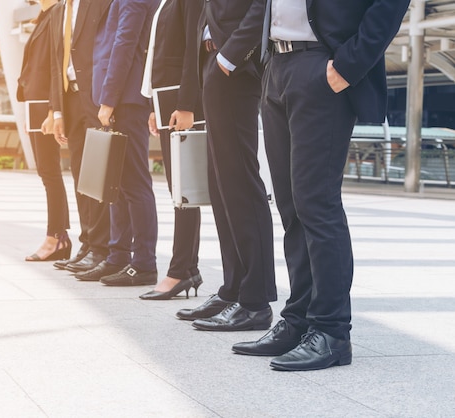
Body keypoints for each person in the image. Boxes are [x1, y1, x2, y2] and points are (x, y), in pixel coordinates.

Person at [232, 0, 410, 371]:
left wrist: (348, 65)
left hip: (322, 65)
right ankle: (299, 320)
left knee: (317, 204)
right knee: (292, 207)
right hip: (277, 66)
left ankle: (331, 332)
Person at [175, 0, 277, 331]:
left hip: (236, 65)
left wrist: (229, 56)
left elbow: (262, 6)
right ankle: (234, 289)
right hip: (216, 64)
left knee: (239, 183)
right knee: (221, 187)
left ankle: (255, 301)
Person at [74, 0, 160, 286]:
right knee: (117, 185)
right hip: (120, 98)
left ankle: (144, 263)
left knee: (134, 184)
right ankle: (118, 256)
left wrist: (108, 99)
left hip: (126, 99)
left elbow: (124, 44)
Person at [138, 0, 205, 300]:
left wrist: (186, 104)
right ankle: (187, 268)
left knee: (183, 190)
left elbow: (194, 48)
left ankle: (180, 270)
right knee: (179, 190)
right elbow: (159, 55)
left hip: (181, 104)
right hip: (166, 102)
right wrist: (154, 106)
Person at [48, 0, 113, 274]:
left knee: (98, 176)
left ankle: (101, 247)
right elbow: (55, 63)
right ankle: (87, 243)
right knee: (80, 175)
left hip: (96, 98)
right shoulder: (58, 11)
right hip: (70, 100)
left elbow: (108, 48)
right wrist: (57, 111)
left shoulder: (99, 3)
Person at [17, 0, 72, 262]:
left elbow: (55, 64)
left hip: (46, 106)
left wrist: (53, 110)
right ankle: (58, 236)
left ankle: (56, 237)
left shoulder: (56, 14)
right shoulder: (44, 16)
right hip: (36, 106)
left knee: (49, 172)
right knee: (46, 172)